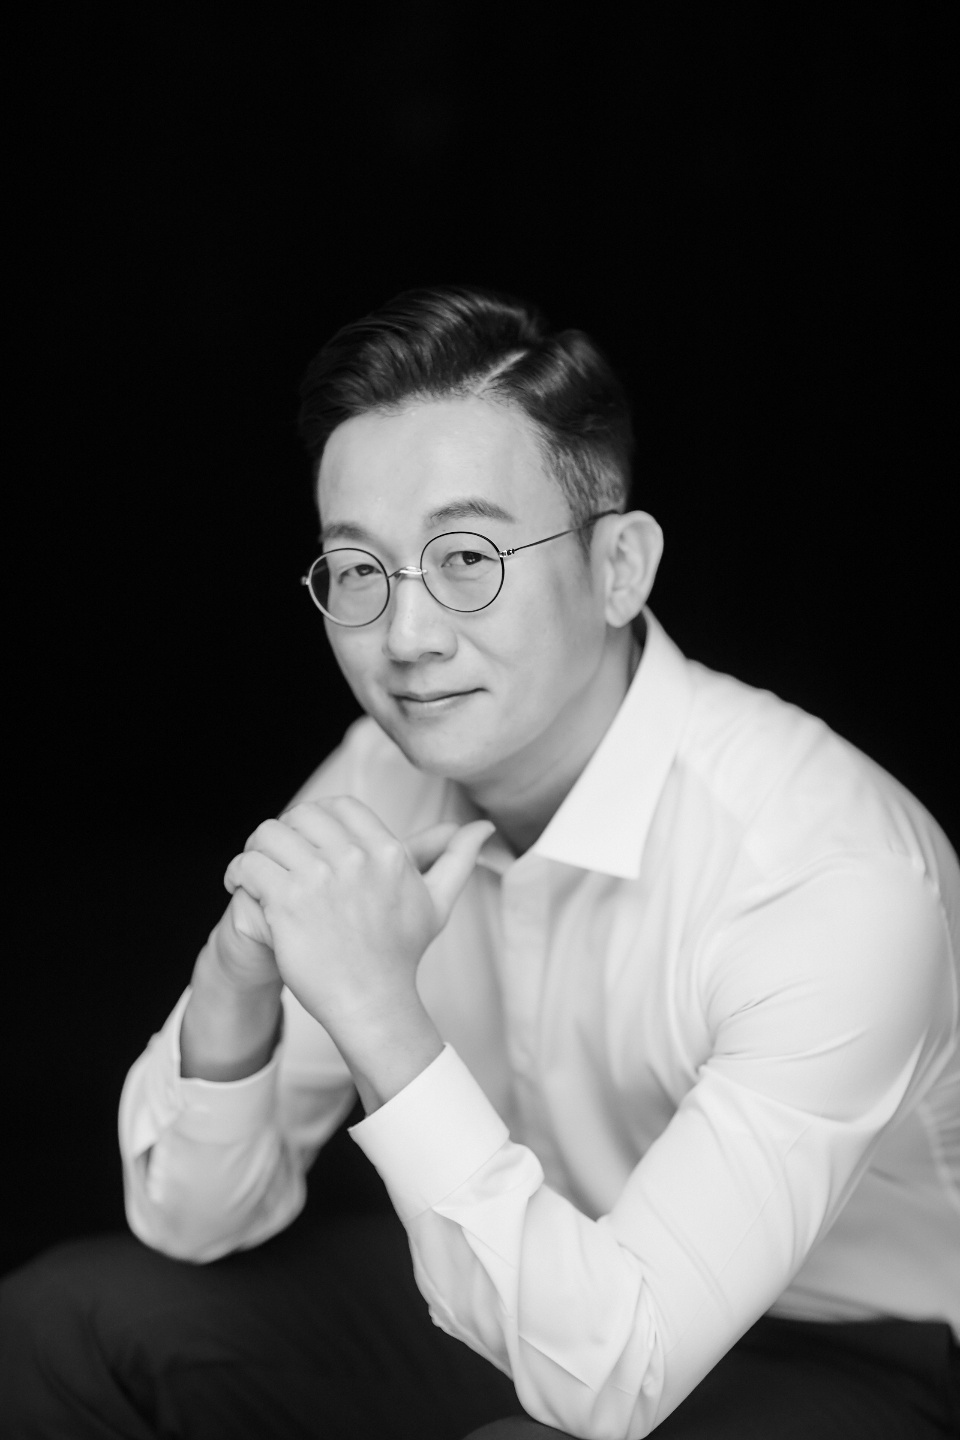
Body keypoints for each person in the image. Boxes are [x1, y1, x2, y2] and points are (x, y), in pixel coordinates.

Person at [2, 286, 958, 1440]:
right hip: (525, 1278)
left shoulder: (827, 874)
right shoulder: (384, 772)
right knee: (60, 1327)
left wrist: (378, 1011)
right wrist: (233, 986)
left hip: (851, 1349)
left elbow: (620, 1372)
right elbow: (192, 1221)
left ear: (619, 568)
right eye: (359, 569)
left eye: (467, 556)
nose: (406, 638)